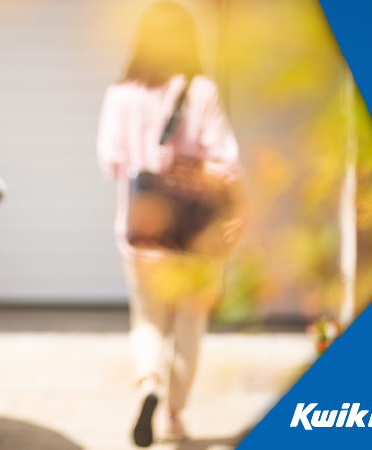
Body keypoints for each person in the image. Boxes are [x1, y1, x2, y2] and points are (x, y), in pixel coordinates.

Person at [96, 1, 245, 447]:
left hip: (141, 231)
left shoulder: (120, 95)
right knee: (188, 325)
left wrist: (147, 160)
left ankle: (148, 387)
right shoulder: (202, 91)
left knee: (146, 319)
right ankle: (175, 416)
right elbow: (227, 164)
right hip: (194, 235)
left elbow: (109, 161)